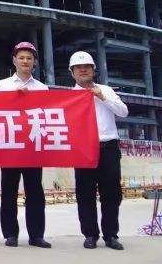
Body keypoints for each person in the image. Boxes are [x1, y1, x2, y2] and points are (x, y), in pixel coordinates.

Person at [69, 51, 127, 251]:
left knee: (111, 193)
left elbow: (123, 112)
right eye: (78, 68)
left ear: (93, 70)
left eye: (87, 67)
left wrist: (102, 97)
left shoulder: (106, 90)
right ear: (72, 73)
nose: (83, 70)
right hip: (83, 149)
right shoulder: (69, 96)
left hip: (108, 148)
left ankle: (111, 235)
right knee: (85, 194)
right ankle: (90, 235)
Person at [0, 41, 50, 248]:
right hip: (10, 145)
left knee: (35, 192)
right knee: (9, 191)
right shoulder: (3, 86)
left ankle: (36, 235)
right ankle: (10, 234)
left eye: (29, 58)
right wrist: (14, 97)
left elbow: (47, 115)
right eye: (21, 57)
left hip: (33, 146)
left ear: (34, 62)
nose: (25, 61)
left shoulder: (42, 88)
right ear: (14, 61)